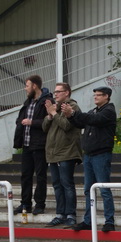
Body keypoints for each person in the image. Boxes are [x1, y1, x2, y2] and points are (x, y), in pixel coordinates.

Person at [65, 86, 117, 233]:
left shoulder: (109, 111)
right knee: (88, 190)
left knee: (104, 189)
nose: (95, 97)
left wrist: (74, 112)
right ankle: (88, 221)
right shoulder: (93, 111)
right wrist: (70, 116)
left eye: (99, 95)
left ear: (106, 96)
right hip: (89, 155)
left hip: (101, 155)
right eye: (95, 95)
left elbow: (94, 120)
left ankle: (109, 221)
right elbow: (81, 123)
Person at [42, 82, 83, 227]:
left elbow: (66, 125)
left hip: (67, 152)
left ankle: (71, 214)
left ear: (67, 93)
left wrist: (54, 113)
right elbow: (44, 128)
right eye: (55, 92)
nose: (55, 94)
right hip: (53, 153)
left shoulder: (72, 106)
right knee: (57, 185)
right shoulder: (55, 108)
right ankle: (60, 214)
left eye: (58, 91)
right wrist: (50, 115)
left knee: (67, 184)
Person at [13, 75, 53, 216]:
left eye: (27, 85)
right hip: (27, 144)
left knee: (40, 175)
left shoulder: (47, 101)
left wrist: (32, 122)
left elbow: (49, 120)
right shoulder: (28, 102)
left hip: (40, 144)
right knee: (25, 175)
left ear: (34, 86)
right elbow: (20, 119)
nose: (25, 88)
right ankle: (25, 203)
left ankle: (40, 204)